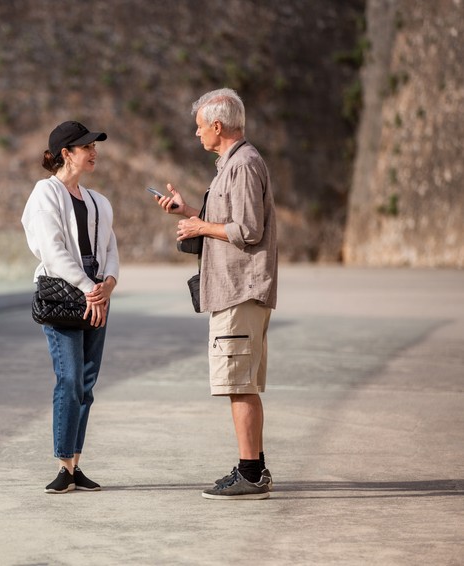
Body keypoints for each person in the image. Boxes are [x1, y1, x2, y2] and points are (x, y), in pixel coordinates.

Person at [153, 88, 278, 500]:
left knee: (238, 384)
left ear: (218, 126)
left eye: (200, 126)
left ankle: (250, 474)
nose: (197, 133)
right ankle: (254, 466)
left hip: (239, 291)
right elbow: (230, 220)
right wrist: (190, 212)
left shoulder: (242, 165)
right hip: (236, 291)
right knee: (242, 382)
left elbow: (248, 230)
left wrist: (200, 227)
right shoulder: (234, 165)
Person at [21, 120, 120, 494]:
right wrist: (91, 288)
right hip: (64, 295)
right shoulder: (45, 193)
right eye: (86, 147)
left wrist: (108, 284)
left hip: (96, 295)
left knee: (87, 383)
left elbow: (111, 250)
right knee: (70, 379)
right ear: (66, 153)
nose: (94, 152)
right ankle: (63, 465)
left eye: (94, 146)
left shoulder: (99, 202)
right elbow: (53, 252)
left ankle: (75, 466)